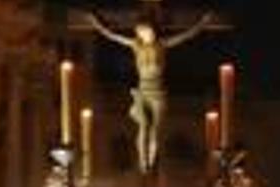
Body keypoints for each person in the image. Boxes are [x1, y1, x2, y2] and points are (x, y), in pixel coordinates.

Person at [86, 9, 215, 173]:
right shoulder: (135, 45)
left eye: (149, 31)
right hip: (142, 92)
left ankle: (151, 162)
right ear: (139, 33)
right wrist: (96, 24)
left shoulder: (162, 44)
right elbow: (113, 36)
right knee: (144, 126)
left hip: (158, 94)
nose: (148, 34)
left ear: (154, 30)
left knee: (154, 130)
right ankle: (143, 162)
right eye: (144, 32)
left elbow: (185, 36)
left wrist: (202, 23)